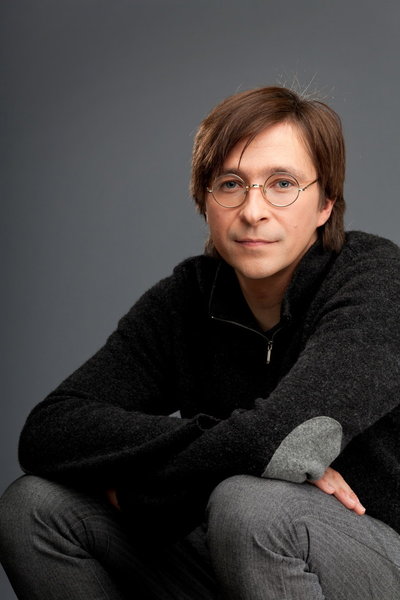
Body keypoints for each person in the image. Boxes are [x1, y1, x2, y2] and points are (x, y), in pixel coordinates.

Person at [1, 85, 400, 600]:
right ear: (203, 201)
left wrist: (144, 493)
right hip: (238, 550)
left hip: (375, 556)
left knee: (252, 506)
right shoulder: (188, 296)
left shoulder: (376, 281)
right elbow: (49, 431)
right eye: (231, 184)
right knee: (35, 507)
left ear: (325, 203)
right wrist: (224, 443)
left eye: (282, 184)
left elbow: (291, 437)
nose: (253, 211)